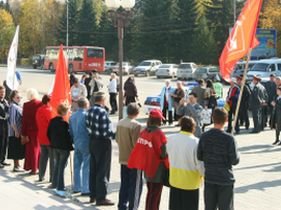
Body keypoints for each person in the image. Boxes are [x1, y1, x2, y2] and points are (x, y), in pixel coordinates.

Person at [197, 108, 240, 210]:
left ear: (212, 118)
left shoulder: (204, 136)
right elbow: (235, 161)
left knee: (209, 207)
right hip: (225, 179)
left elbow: (199, 156)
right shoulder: (229, 139)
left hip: (210, 177)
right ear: (226, 121)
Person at [128, 109, 169, 210]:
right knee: (155, 196)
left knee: (150, 193)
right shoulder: (159, 133)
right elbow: (162, 153)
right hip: (157, 169)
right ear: (159, 120)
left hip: (147, 167)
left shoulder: (145, 131)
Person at [167, 116, 204, 210]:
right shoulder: (197, 143)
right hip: (191, 184)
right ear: (193, 128)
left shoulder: (170, 139)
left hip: (175, 181)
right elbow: (200, 164)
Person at [86, 92, 115, 206]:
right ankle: (101, 197)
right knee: (103, 170)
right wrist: (116, 135)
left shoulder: (89, 110)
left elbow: (87, 126)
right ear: (102, 100)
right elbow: (106, 131)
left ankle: (92, 195)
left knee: (93, 169)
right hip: (103, 143)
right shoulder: (103, 112)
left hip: (92, 141)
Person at [116, 103, 143, 210]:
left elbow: (117, 139)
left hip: (122, 157)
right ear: (137, 113)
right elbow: (136, 145)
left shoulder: (120, 122)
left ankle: (122, 205)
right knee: (135, 186)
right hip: (133, 160)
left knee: (124, 183)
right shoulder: (136, 125)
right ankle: (133, 207)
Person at [47, 103, 73, 196]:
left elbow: (48, 133)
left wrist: (52, 142)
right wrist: (70, 145)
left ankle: (54, 183)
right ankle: (60, 187)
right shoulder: (64, 124)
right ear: (64, 112)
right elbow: (67, 137)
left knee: (57, 165)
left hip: (55, 146)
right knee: (61, 167)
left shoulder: (52, 121)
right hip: (63, 148)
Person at [69, 97, 91, 196]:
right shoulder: (87, 115)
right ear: (86, 105)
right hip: (86, 142)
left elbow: (71, 131)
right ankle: (85, 188)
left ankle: (76, 186)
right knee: (86, 166)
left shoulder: (72, 116)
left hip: (77, 142)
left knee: (77, 165)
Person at [22, 88, 42, 174]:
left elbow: (24, 120)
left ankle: (32, 167)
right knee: (38, 149)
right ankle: (37, 167)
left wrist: (23, 133)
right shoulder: (40, 103)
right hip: (38, 129)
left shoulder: (26, 105)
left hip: (29, 130)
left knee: (31, 150)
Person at [36, 95, 53, 182]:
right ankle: (52, 177)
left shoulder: (39, 110)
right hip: (49, 137)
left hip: (41, 136)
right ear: (48, 101)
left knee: (43, 157)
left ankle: (41, 175)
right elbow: (51, 123)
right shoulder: (48, 110)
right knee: (52, 159)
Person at [7, 90, 25, 172]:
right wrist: (16, 131)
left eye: (20, 97)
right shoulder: (13, 106)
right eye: (17, 97)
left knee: (17, 148)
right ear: (13, 98)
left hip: (18, 131)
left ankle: (17, 165)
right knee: (15, 148)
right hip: (15, 131)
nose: (19, 99)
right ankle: (16, 166)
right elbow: (12, 121)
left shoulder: (18, 105)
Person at [0, 85, 10, 168]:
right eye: (1, 92)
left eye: (3, 92)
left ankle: (2, 160)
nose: (2, 94)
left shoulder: (6, 102)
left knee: (5, 142)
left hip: (5, 125)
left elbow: (8, 112)